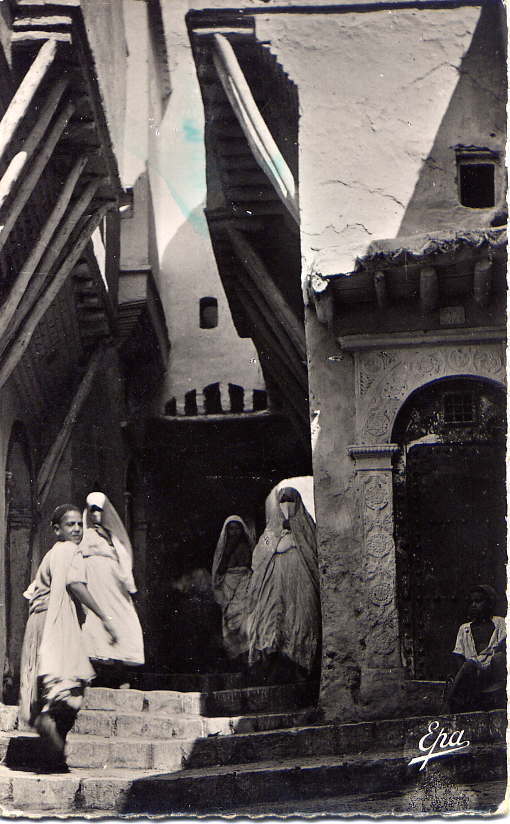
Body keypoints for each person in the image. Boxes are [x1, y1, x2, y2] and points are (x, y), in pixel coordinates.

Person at [19, 504, 117, 770]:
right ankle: (50, 735)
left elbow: (32, 592)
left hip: (40, 622)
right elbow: (75, 584)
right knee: (70, 687)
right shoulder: (70, 551)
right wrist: (104, 617)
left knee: (55, 686)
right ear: (56, 529)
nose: (76, 529)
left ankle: (53, 754)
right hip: (55, 622)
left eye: (79, 525)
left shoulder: (51, 554)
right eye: (69, 525)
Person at [247, 487, 321, 684]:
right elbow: (258, 558)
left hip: (301, 587)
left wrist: (295, 540)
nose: (286, 504)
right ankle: (271, 673)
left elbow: (314, 553)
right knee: (272, 625)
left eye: (291, 500)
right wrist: (279, 541)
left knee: (301, 622)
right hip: (275, 587)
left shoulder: (307, 528)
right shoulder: (270, 531)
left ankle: (301, 673)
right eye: (283, 500)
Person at [80, 492, 144, 687]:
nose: (95, 515)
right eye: (92, 511)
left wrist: (129, 586)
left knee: (124, 620)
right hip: (94, 584)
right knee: (96, 623)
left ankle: (123, 673)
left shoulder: (113, 535)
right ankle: (100, 674)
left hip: (114, 585)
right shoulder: (83, 534)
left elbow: (123, 560)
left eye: (99, 511)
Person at [446, 584, 506, 712]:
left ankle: (448, 702)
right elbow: (458, 654)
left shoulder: (501, 623)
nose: (474, 605)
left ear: (490, 604)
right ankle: (450, 699)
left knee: (499, 658)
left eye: (478, 601)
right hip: (473, 673)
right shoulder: (465, 629)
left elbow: (503, 646)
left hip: (493, 671)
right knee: (468, 665)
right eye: (471, 602)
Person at [211, 516, 254, 667]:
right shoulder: (224, 549)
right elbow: (220, 568)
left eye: (237, 528)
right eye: (231, 528)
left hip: (243, 584)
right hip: (228, 586)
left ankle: (245, 659)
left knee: (243, 621)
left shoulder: (245, 546)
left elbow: (247, 566)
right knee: (228, 621)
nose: (234, 532)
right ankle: (234, 660)